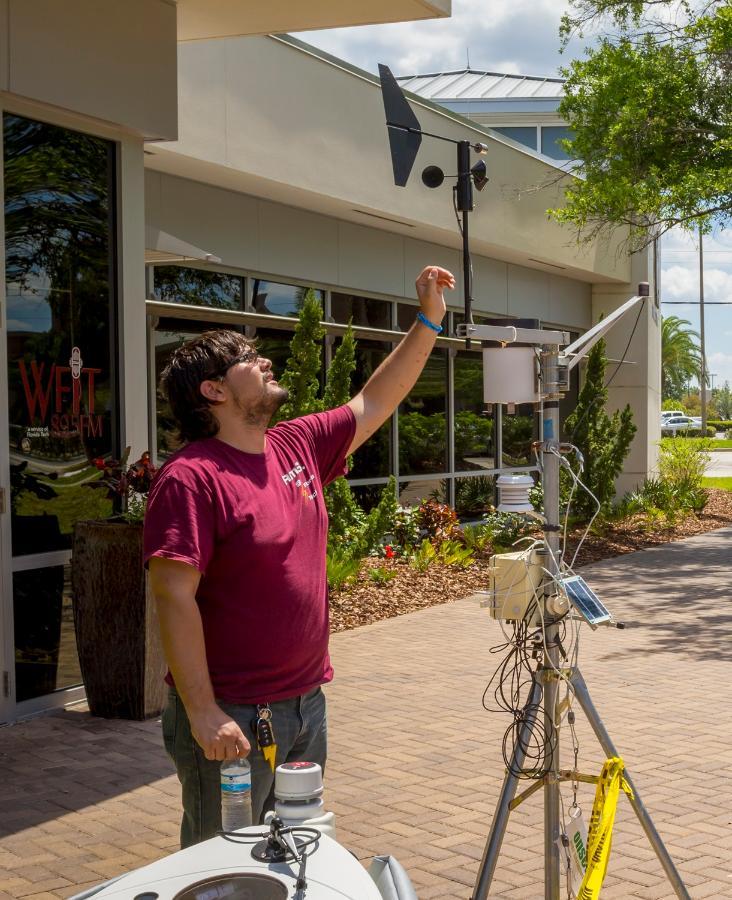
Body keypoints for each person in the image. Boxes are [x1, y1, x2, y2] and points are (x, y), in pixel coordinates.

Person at [144, 265, 455, 847]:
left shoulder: (296, 445)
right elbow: (171, 595)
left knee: (292, 860)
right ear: (213, 391)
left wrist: (428, 319)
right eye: (244, 357)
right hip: (235, 715)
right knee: (225, 869)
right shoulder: (191, 479)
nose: (262, 360)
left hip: (306, 704)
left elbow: (376, 399)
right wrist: (205, 712)